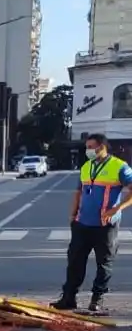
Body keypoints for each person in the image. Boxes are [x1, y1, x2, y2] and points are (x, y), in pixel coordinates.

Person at [51, 134, 132, 312]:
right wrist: (73, 215)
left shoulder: (119, 167)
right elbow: (79, 192)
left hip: (105, 225)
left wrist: (116, 209)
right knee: (74, 262)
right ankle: (68, 298)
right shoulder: (86, 166)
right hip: (82, 224)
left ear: (102, 147)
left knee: (104, 264)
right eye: (87, 147)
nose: (88, 151)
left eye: (91, 147)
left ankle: (97, 299)